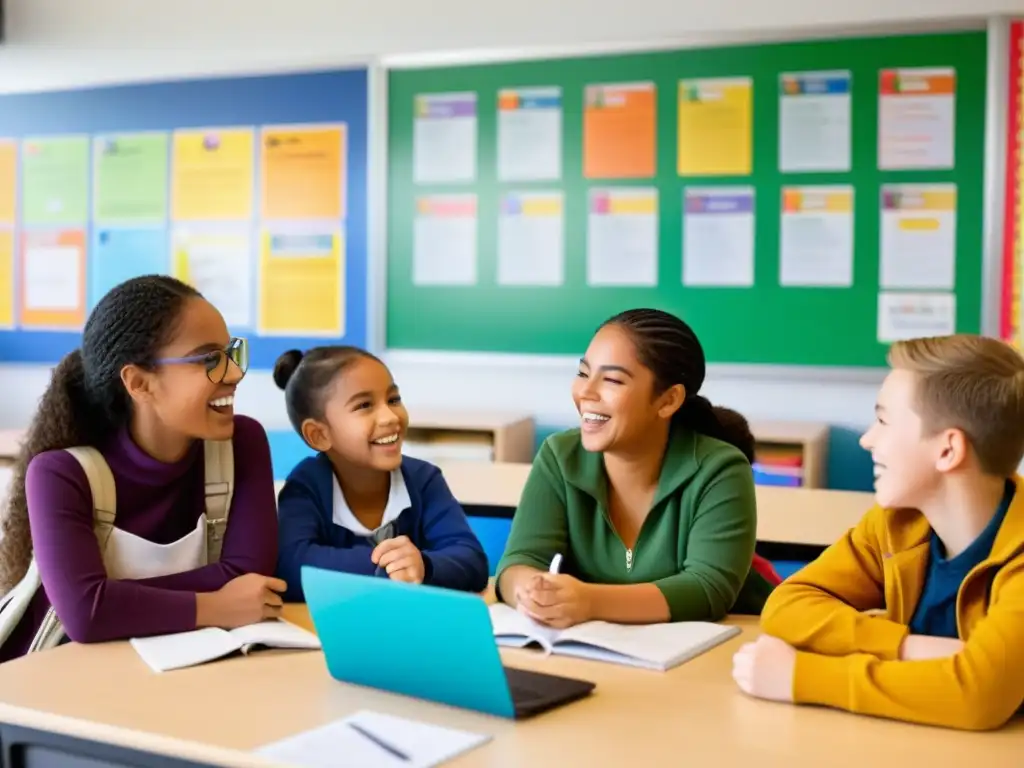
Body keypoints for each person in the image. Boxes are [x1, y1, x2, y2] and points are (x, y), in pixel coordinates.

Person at [733, 334, 1024, 731]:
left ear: (947, 450)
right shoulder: (898, 522)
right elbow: (787, 605)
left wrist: (801, 677)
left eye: (884, 420)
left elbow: (979, 695)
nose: (867, 439)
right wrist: (911, 647)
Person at [0, 276, 284, 663]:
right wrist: (215, 606)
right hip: (54, 683)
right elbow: (85, 616)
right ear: (138, 383)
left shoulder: (242, 442)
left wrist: (115, 598)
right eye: (208, 360)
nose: (234, 374)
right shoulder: (60, 475)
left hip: (177, 669)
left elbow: (249, 577)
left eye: (231, 354)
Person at [495, 308, 776, 629]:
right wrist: (529, 590)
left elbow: (707, 588)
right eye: (584, 373)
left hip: (711, 657)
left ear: (668, 400)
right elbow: (520, 561)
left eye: (612, 379)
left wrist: (589, 601)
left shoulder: (721, 469)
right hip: (593, 652)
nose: (586, 392)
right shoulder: (560, 456)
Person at [272, 346, 489, 602]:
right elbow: (291, 567)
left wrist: (424, 566)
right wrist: (390, 564)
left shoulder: (423, 480)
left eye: (393, 399)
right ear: (319, 435)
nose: (389, 416)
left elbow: (472, 560)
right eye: (364, 405)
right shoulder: (307, 486)